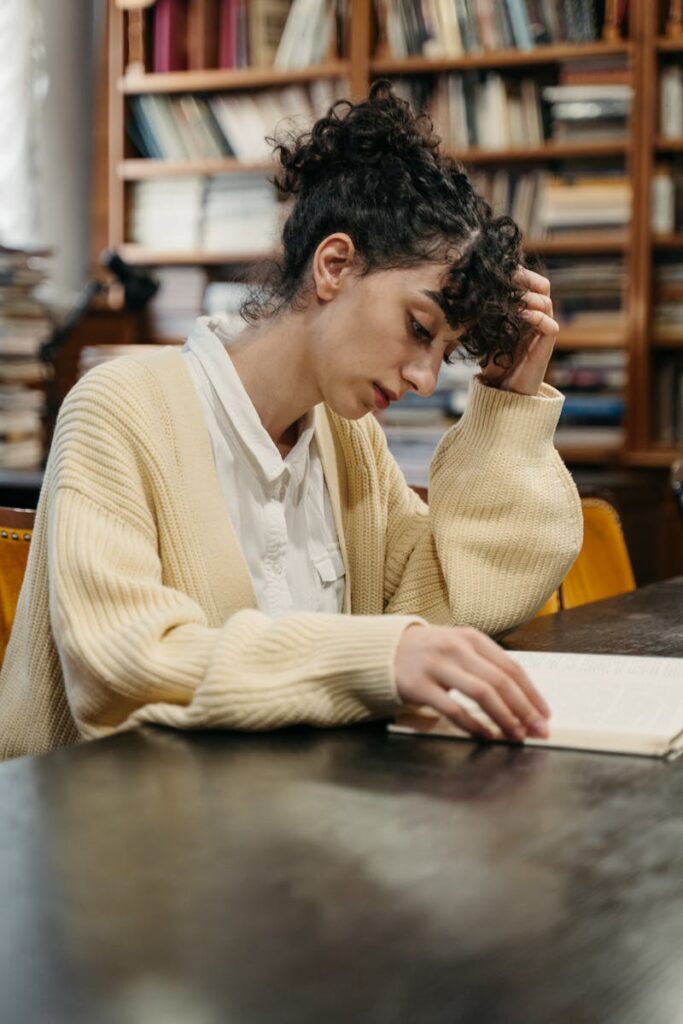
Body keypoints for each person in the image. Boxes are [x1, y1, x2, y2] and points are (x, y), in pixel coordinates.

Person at [0, 83, 582, 760]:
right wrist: (376, 658)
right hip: (107, 838)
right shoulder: (119, 408)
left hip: (274, 818)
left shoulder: (347, 438)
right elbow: (124, 668)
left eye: (445, 352)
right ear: (333, 265)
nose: (425, 378)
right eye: (418, 328)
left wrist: (507, 403)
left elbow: (452, 606)